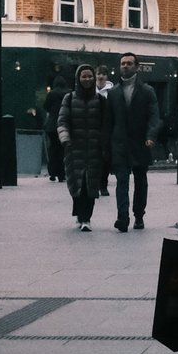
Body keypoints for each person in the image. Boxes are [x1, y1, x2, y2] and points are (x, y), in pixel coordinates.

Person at [54, 64, 111, 231]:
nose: (87, 79)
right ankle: (79, 213)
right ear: (78, 79)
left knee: (90, 186)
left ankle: (86, 218)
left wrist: (105, 145)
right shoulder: (69, 99)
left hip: (94, 150)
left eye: (90, 76)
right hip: (74, 149)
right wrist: (65, 138)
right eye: (84, 76)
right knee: (75, 184)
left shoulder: (101, 101)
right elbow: (62, 121)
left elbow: (106, 124)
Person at [109, 53, 159, 231]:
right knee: (121, 181)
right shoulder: (113, 92)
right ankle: (122, 217)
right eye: (123, 63)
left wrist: (151, 136)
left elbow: (154, 117)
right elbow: (109, 120)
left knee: (140, 181)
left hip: (140, 143)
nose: (125, 66)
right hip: (120, 144)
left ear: (137, 67)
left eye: (129, 63)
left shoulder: (147, 91)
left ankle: (139, 215)